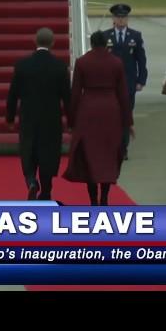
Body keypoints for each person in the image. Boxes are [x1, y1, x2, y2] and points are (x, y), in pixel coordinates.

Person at [63, 31, 133, 205]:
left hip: (88, 111)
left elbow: (76, 93)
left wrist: (71, 120)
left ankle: (93, 198)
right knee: (108, 155)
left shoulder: (82, 62)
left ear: (92, 44)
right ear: (106, 44)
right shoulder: (116, 63)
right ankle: (105, 196)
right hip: (111, 110)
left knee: (90, 156)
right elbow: (123, 95)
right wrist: (128, 121)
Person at [6, 27, 71, 200]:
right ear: (53, 43)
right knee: (48, 154)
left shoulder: (23, 66)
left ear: (35, 42)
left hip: (29, 118)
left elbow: (13, 95)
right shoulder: (59, 67)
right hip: (51, 119)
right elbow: (67, 97)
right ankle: (47, 190)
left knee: (28, 151)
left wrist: (10, 118)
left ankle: (31, 180)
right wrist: (71, 121)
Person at [103, 4, 147, 159]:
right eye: (118, 17)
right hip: (110, 84)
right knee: (111, 116)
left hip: (128, 83)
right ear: (113, 19)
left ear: (127, 19)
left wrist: (141, 79)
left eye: (123, 17)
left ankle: (123, 148)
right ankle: (111, 146)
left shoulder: (135, 36)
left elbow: (141, 60)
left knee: (125, 116)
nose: (121, 20)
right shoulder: (105, 36)